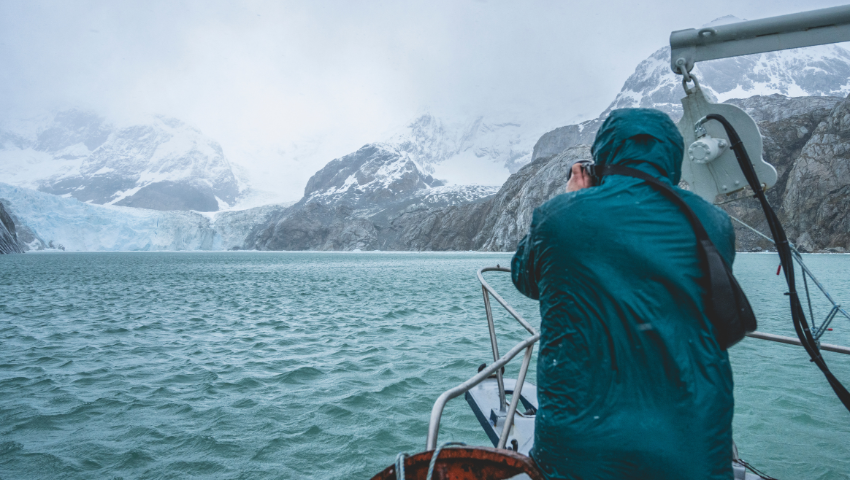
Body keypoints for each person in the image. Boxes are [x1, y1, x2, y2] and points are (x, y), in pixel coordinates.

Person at [511, 108, 735, 480]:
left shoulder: (559, 218)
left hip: (579, 449)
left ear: (603, 159)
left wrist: (574, 197)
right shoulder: (714, 224)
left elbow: (526, 279)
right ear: (673, 158)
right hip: (693, 448)